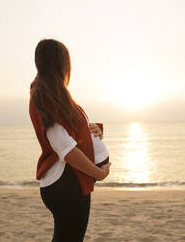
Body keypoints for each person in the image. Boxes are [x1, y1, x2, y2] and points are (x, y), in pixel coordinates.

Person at [29, 38, 111, 242]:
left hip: (69, 183)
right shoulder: (43, 96)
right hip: (66, 183)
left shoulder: (53, 94)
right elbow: (65, 148)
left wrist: (93, 130)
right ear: (61, 64)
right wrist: (99, 174)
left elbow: (69, 132)